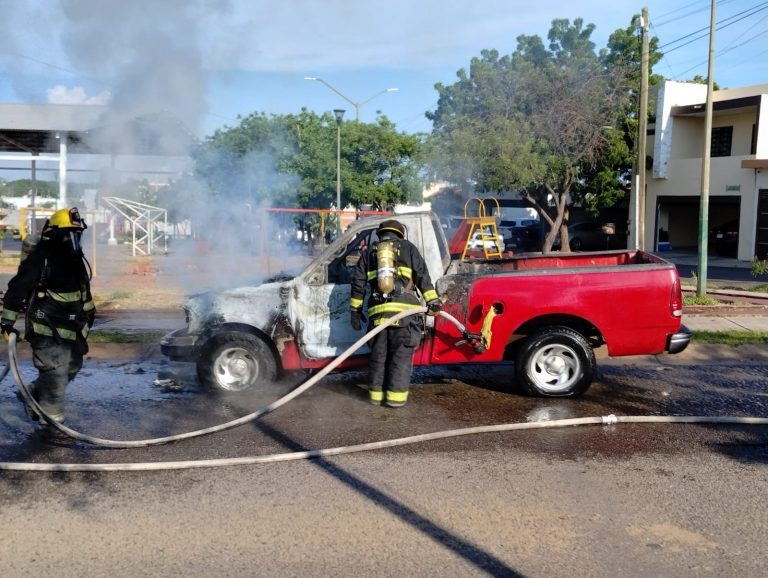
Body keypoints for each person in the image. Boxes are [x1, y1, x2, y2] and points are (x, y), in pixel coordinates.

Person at [1, 207, 95, 427]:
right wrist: (7, 323)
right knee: (56, 375)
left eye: (76, 234)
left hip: (72, 329)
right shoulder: (40, 260)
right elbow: (16, 291)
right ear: (53, 235)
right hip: (45, 328)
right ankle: (53, 427)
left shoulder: (76, 261)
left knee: (72, 367)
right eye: (67, 235)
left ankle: (32, 394)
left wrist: (88, 317)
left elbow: (84, 295)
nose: (72, 240)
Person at [350, 219, 442, 408]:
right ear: (399, 234)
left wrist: (355, 312)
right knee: (400, 358)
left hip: (378, 317)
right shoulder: (408, 248)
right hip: (405, 316)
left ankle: (375, 398)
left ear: (380, 234)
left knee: (378, 357)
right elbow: (422, 276)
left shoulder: (370, 253)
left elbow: (357, 283)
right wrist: (432, 300)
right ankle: (395, 400)